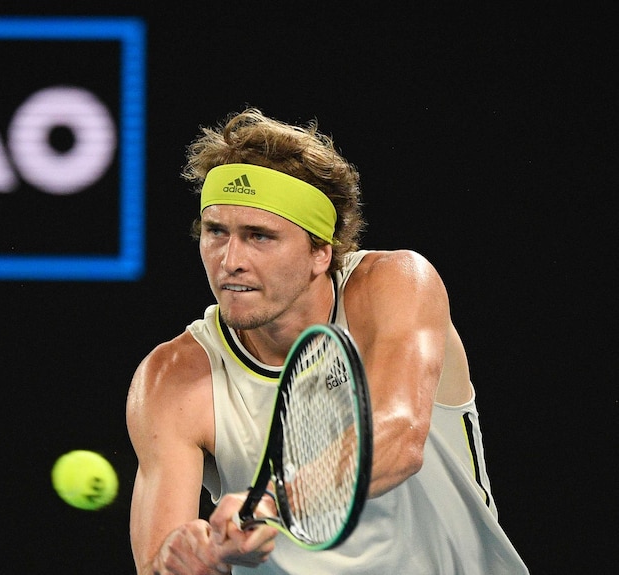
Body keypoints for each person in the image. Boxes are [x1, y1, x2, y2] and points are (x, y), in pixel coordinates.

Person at [126, 108, 528, 574]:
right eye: (216, 232)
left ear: (321, 251)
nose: (229, 260)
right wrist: (183, 562)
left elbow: (399, 438)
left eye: (259, 236)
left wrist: (274, 503)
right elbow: (159, 562)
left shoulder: (395, 285)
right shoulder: (169, 379)